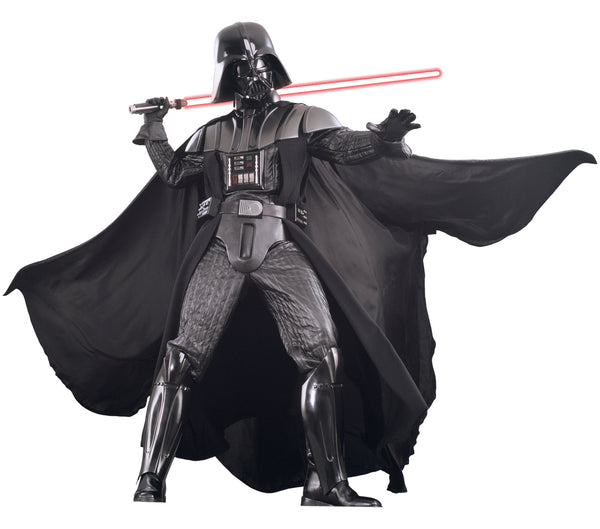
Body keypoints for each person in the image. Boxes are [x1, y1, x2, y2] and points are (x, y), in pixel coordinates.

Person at [7, 21, 594, 508]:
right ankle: (148, 480)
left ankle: (325, 483)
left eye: (259, 66)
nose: (252, 76)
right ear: (227, 77)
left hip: (281, 246)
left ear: (273, 68)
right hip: (219, 248)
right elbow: (175, 173)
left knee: (321, 356)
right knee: (180, 359)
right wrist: (155, 126)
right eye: (241, 69)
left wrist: (383, 138)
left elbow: (346, 149)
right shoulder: (210, 133)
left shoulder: (304, 119)